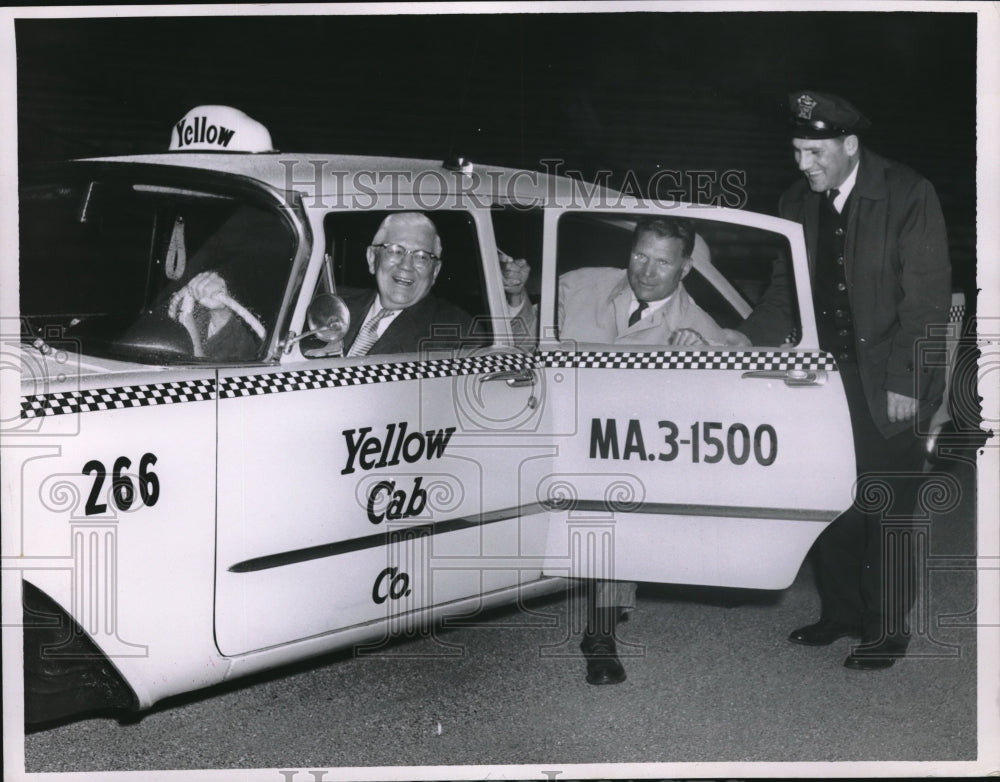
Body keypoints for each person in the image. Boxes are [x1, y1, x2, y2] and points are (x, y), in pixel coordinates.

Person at [743, 91, 952, 670]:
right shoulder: (794, 201)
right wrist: (743, 340)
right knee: (829, 498)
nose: (802, 163)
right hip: (822, 380)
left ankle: (886, 628)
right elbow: (784, 293)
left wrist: (909, 382)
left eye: (814, 151)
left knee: (886, 502)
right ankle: (840, 613)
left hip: (891, 375)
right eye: (796, 150)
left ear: (849, 145)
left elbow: (927, 303)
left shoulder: (908, 193)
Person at [502, 216, 749, 685]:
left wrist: (698, 363)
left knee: (621, 507)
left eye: (662, 262)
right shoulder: (577, 286)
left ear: (686, 269)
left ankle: (601, 633)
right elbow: (519, 346)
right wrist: (516, 297)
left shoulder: (697, 326)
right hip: (551, 429)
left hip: (627, 453)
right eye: (640, 256)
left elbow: (723, 404)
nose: (646, 271)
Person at [336, 212, 474, 356]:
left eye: (421, 256)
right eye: (395, 251)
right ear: (372, 258)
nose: (406, 266)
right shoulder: (335, 302)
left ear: (435, 271)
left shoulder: (458, 335)